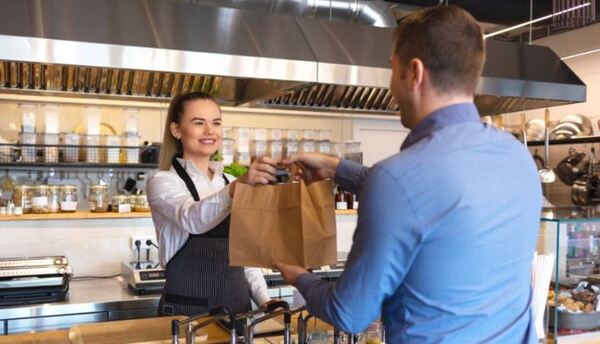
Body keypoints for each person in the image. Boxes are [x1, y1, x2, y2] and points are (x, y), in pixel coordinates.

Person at [275, 5, 542, 343]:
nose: (390, 85)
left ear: (414, 73)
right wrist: (336, 168)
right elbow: (432, 198)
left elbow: (349, 313)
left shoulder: (398, 179)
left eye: (392, 69)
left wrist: (298, 276)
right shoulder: (517, 156)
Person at [147, 91, 279, 316]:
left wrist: (264, 299)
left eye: (216, 123)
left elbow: (245, 253)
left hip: (238, 312)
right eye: (199, 123)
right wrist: (238, 188)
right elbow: (193, 219)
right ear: (176, 130)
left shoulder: (228, 182)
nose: (210, 131)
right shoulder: (162, 182)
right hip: (187, 315)